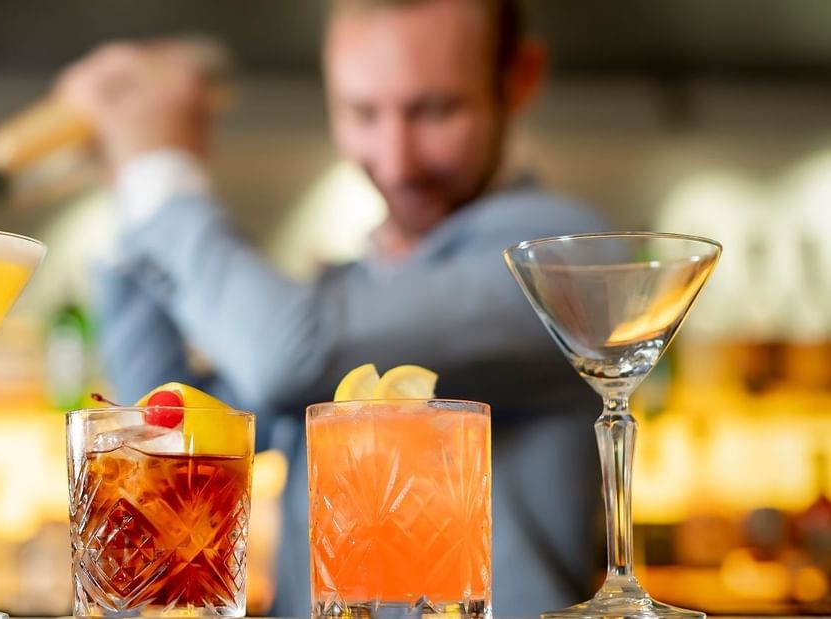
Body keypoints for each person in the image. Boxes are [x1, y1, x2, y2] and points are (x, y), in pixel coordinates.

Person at [56, 0, 607, 615]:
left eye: (436, 110)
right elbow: (168, 431)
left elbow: (289, 355)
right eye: (362, 112)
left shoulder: (557, 262)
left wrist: (160, 172)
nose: (396, 162)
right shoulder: (349, 286)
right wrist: (127, 189)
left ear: (519, 80)